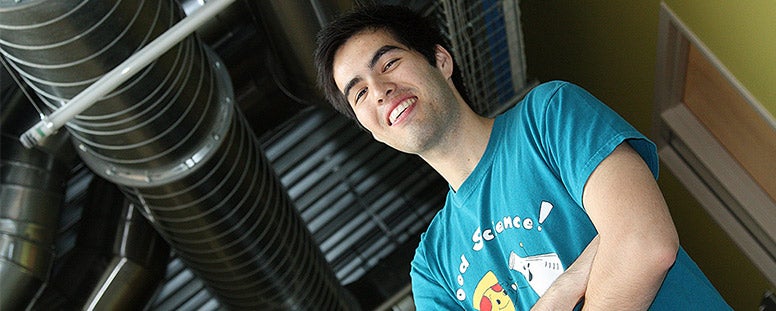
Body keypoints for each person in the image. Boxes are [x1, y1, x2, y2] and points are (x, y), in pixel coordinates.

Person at [314, 4, 730, 310]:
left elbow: (645, 244)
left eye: (388, 62)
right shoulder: (432, 268)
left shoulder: (548, 114)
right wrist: (571, 282)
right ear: (371, 130)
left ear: (440, 61)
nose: (381, 89)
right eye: (360, 93)